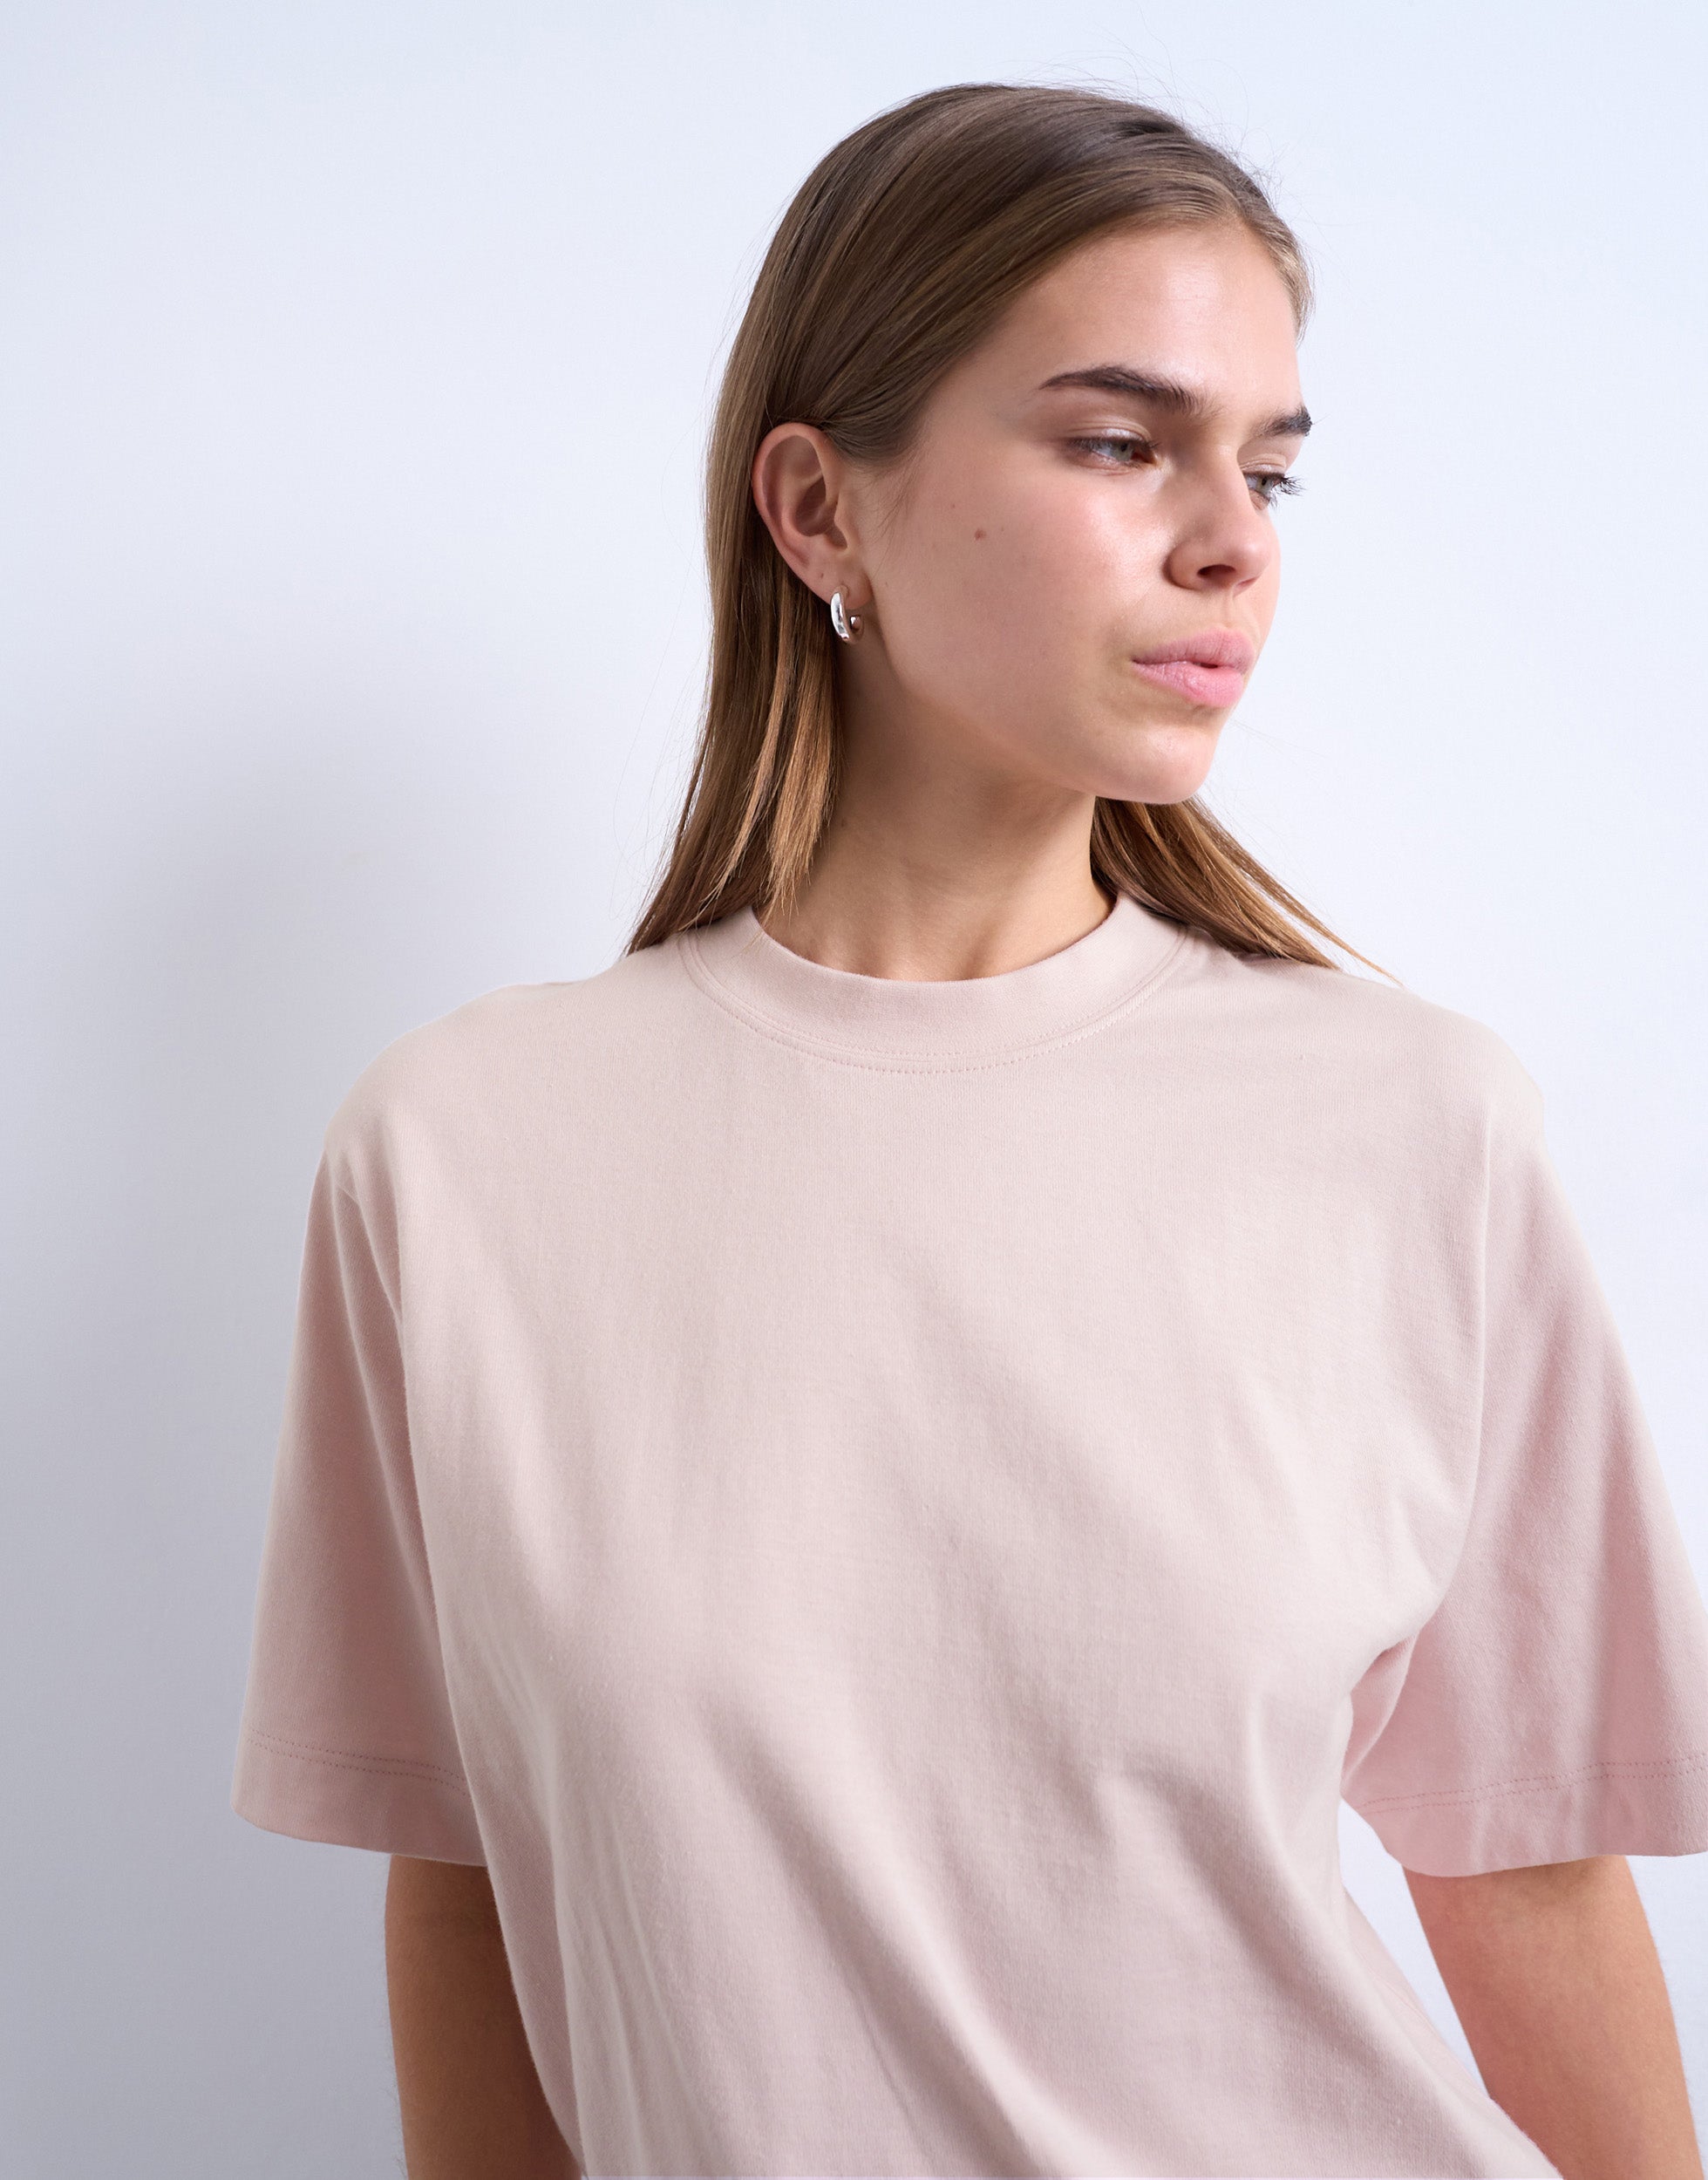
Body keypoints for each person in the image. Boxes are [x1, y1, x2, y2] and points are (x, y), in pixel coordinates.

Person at [230, 81, 1708, 2179]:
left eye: (1268, 466)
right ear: (818, 509)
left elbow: (1526, 1868)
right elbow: (474, 1882)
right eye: (1118, 441)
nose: (1231, 539)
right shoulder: (461, 1155)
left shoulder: (1411, 1128)